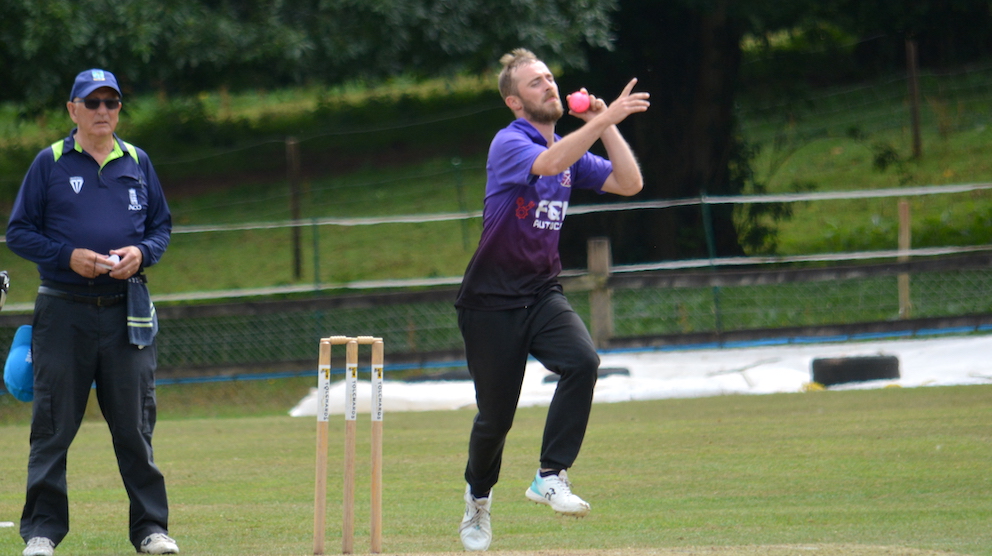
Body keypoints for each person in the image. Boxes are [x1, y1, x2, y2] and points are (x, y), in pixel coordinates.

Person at [454, 48, 650, 551]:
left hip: (541, 292)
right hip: (490, 301)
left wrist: (605, 125)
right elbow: (548, 163)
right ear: (515, 102)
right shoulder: (510, 142)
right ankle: (478, 498)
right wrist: (603, 117)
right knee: (496, 418)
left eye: (549, 77)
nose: (549, 86)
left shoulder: (571, 147)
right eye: (535, 83)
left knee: (583, 361)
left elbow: (629, 183)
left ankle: (550, 475)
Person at [6, 69, 177, 556]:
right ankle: (42, 532)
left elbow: (162, 228)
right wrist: (67, 256)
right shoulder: (50, 162)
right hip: (64, 311)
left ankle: (151, 530)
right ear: (73, 109)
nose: (103, 111)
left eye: (112, 102)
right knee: (53, 425)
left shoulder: (138, 162)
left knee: (134, 427)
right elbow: (19, 233)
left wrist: (142, 254)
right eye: (93, 102)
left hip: (126, 312)